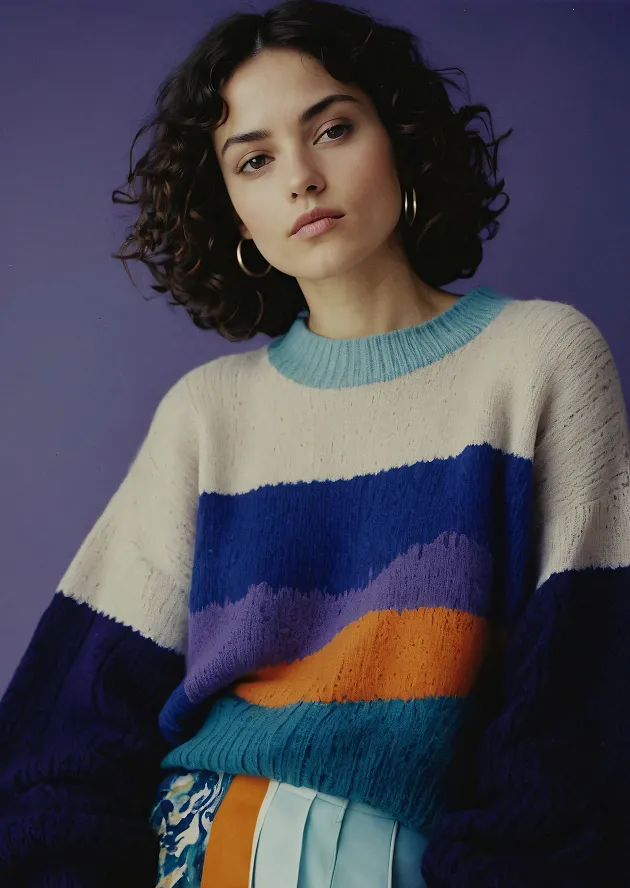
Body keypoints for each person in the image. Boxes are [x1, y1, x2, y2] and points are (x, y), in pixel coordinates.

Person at [1, 0, 629, 885]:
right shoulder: (207, 414)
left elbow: (576, 711)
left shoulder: (539, 361)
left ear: (399, 140)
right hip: (186, 848)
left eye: (332, 128)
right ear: (236, 216)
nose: (300, 176)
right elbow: (65, 729)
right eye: (254, 160)